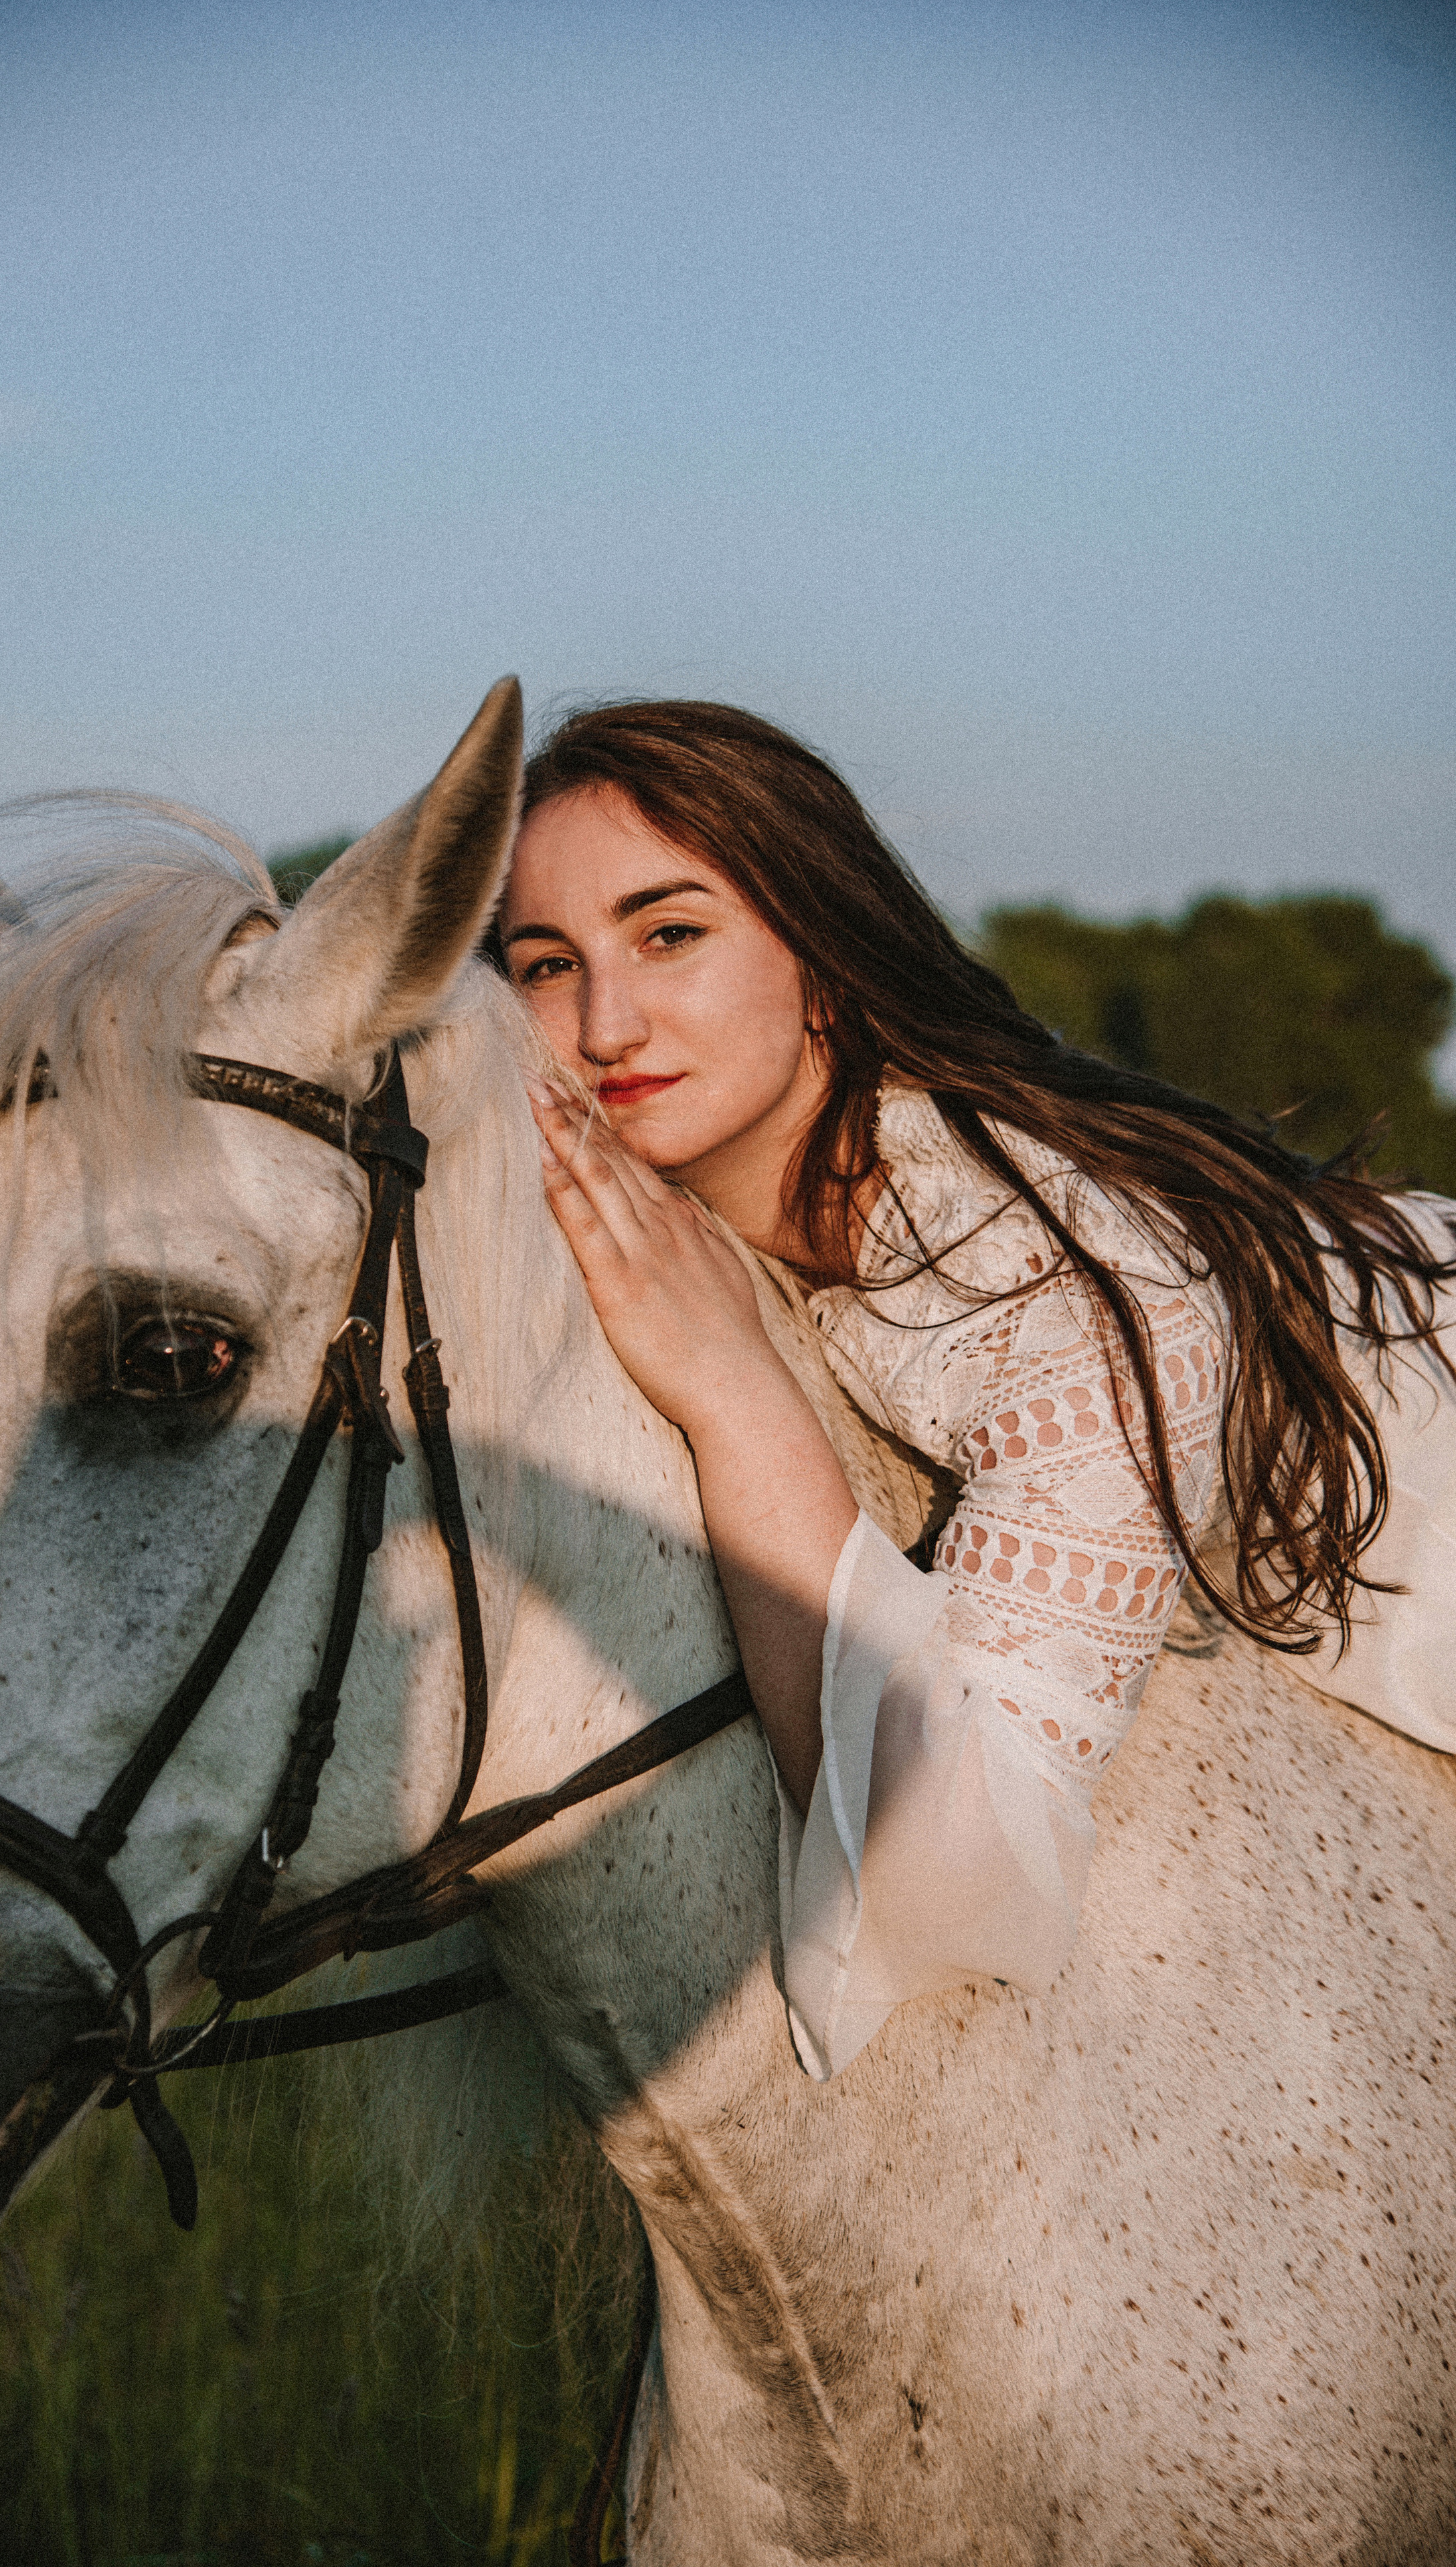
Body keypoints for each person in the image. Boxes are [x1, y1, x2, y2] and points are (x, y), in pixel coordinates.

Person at [495, 699, 1456, 2080]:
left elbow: (957, 1887)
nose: (600, 1020)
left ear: (822, 955)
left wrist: (737, 1399)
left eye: (669, 933)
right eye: (542, 963)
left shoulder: (1067, 1284)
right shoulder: (663, 1235)